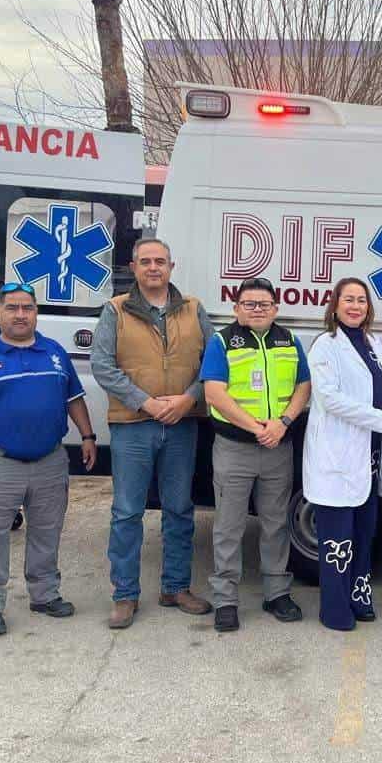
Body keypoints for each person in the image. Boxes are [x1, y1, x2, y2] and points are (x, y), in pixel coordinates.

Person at [0, 282, 97, 638]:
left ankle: (44, 595)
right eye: (12, 308)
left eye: (27, 308)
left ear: (35, 313)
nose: (20, 314)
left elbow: (74, 398)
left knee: (47, 531)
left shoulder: (55, 352)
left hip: (49, 460)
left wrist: (88, 436)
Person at [91, 238, 216, 630]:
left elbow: (214, 361)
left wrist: (189, 398)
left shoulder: (194, 309)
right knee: (127, 512)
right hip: (133, 426)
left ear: (171, 266)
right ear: (133, 267)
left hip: (182, 425)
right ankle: (125, 595)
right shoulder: (115, 311)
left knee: (180, 509)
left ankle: (175, 587)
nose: (153, 268)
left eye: (160, 261)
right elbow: (102, 366)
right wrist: (146, 402)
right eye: (145, 262)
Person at [201, 277, 312, 632]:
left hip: (278, 446)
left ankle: (276, 593)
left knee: (276, 524)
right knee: (229, 526)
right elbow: (215, 394)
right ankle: (226, 600)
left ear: (275, 308)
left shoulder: (290, 340)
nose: (257, 309)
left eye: (264, 304)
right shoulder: (222, 341)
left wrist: (283, 422)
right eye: (249, 304)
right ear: (237, 308)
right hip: (235, 448)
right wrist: (257, 427)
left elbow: (303, 386)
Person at [303, 278, 382, 631]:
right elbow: (329, 398)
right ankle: (334, 609)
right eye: (349, 300)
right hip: (339, 454)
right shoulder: (324, 346)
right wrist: (380, 419)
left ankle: (360, 597)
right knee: (337, 540)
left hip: (371, 456)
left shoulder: (373, 342)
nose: (356, 306)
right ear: (335, 305)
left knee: (364, 535)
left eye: (361, 300)